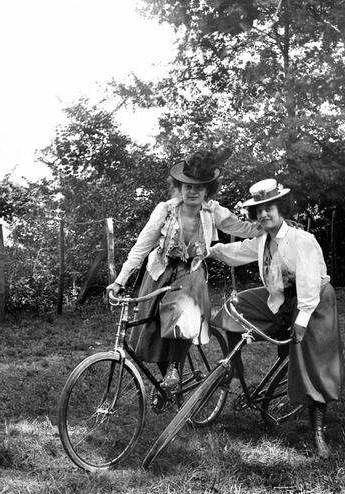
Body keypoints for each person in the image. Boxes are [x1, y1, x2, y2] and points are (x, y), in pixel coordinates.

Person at [208, 178, 345, 459]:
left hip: (314, 300)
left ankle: (317, 432)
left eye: (269, 208)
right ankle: (235, 368)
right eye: (258, 211)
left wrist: (302, 319)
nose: (264, 215)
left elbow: (309, 284)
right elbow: (237, 251)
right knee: (237, 305)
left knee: (311, 359)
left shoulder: (301, 240)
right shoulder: (263, 240)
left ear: (281, 208)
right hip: (282, 297)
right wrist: (208, 251)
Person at [106, 149, 259, 389]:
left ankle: (176, 367)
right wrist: (120, 281)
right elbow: (141, 246)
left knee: (182, 312)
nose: (193, 191)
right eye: (187, 186)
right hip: (160, 271)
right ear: (179, 187)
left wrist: (273, 226)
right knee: (152, 327)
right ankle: (168, 383)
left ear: (207, 190)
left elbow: (243, 228)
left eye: (199, 187)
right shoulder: (165, 210)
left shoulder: (213, 211)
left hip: (191, 272)